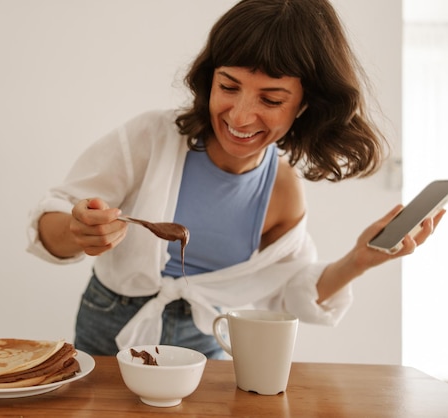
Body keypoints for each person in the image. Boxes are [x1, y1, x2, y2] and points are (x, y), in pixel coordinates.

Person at [26, 0, 444, 359]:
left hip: (207, 340)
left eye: (271, 99)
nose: (241, 116)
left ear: (303, 106)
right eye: (228, 86)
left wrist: (359, 259)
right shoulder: (148, 139)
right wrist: (79, 229)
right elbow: (49, 224)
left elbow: (291, 290)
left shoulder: (282, 190)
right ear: (209, 79)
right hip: (109, 324)